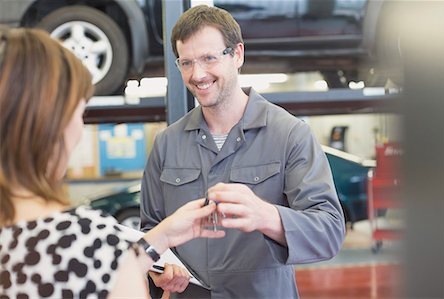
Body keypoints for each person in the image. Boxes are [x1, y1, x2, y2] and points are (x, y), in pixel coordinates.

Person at [0, 27, 225, 299]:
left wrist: (161, 238)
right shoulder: (84, 240)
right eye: (78, 112)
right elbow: (94, 270)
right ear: (50, 122)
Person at [140, 5, 346, 299]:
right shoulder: (167, 143)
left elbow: (329, 231)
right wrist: (160, 268)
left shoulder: (289, 134)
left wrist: (267, 216)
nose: (197, 74)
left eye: (209, 58)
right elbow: (151, 229)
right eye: (186, 63)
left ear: (237, 54)